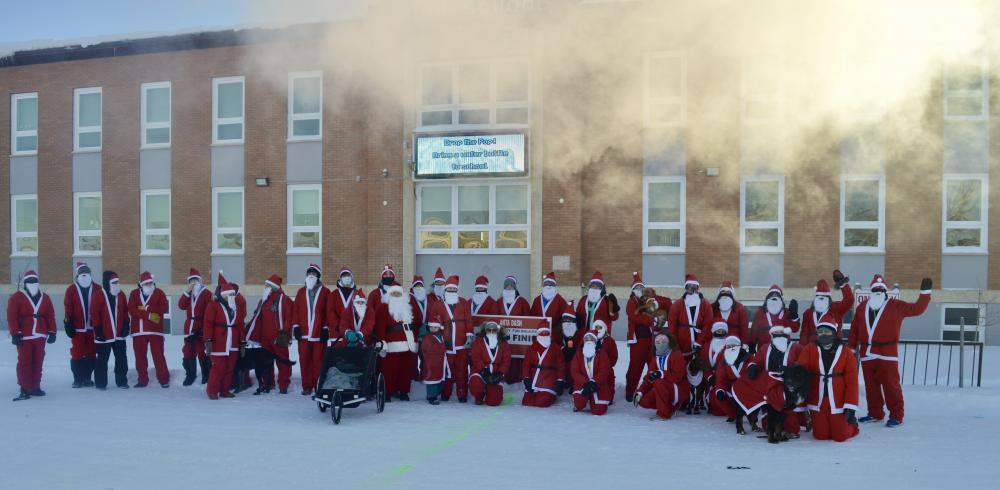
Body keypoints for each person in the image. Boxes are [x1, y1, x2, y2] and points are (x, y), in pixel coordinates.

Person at [847, 274, 931, 427]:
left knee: (891, 386)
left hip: (887, 355)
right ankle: (875, 413)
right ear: (871, 291)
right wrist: (851, 348)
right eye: (875, 289)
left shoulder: (896, 306)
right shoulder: (862, 307)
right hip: (867, 355)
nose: (878, 291)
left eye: (881, 288)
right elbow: (854, 329)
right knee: (871, 387)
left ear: (885, 291)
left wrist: (925, 293)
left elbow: (917, 309)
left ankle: (897, 415)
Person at [798, 318, 860, 442]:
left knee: (840, 437)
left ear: (834, 333)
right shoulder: (810, 349)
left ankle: (853, 426)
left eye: (827, 331)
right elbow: (801, 369)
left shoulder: (846, 352)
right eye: (820, 332)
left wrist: (850, 406)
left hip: (838, 401)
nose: (823, 334)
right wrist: (794, 373)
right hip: (818, 400)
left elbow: (852, 381)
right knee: (820, 436)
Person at [745, 325, 804, 437]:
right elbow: (756, 361)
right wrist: (752, 367)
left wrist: (793, 371)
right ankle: (771, 428)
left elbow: (803, 365)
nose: (779, 337)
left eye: (781, 334)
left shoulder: (796, 348)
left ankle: (791, 430)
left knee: (788, 408)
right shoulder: (765, 348)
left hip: (789, 385)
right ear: (772, 336)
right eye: (776, 335)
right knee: (770, 409)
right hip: (770, 385)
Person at [7, 270, 56, 401]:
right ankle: (24, 387)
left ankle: (35, 386)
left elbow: (50, 315)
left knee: (38, 362)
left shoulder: (45, 298)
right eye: (30, 281)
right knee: (25, 362)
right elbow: (12, 316)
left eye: (35, 281)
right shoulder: (17, 297)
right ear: (25, 283)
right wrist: (15, 333)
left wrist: (52, 331)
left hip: (40, 335)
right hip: (24, 336)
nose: (33, 283)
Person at [245, 275, 294, 394]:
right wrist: (249, 328)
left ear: (273, 287)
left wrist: (285, 333)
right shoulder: (263, 300)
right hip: (264, 338)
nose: (265, 287)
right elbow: (256, 316)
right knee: (265, 362)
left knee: (282, 361)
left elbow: (290, 317)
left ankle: (283, 384)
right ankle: (268, 383)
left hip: (278, 337)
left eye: (267, 285)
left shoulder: (285, 299)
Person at [428, 275, 473, 402]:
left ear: (457, 290)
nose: (452, 291)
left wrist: (469, 335)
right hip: (446, 344)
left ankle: (462, 394)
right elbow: (433, 322)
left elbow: (469, 321)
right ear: (445, 290)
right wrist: (437, 340)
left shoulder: (463, 302)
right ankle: (445, 394)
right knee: (446, 371)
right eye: (450, 289)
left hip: (461, 344)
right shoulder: (438, 304)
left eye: (454, 289)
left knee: (462, 371)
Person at [370, 284, 419, 401]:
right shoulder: (383, 308)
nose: (396, 295)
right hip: (391, 344)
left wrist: (415, 338)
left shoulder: (407, 307)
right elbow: (380, 327)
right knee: (389, 370)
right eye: (394, 293)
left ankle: (403, 391)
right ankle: (387, 392)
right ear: (389, 295)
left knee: (405, 370)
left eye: (398, 293)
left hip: (408, 344)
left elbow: (414, 325)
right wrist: (381, 342)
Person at [625, 274, 670, 402]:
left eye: (641, 287)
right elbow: (633, 316)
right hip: (638, 340)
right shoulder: (632, 301)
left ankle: (652, 388)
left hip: (653, 339)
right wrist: (651, 320)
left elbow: (668, 302)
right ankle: (630, 390)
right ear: (633, 290)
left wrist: (656, 301)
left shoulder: (650, 298)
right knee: (635, 367)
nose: (639, 289)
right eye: (637, 287)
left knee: (653, 365)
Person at [204, 273, 246, 399]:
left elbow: (240, 325)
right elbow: (208, 324)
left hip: (232, 343)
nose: (232, 297)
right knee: (218, 368)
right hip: (218, 343)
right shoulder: (213, 306)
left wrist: (242, 342)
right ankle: (212, 391)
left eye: (233, 294)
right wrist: (208, 340)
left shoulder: (236, 308)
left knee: (229, 368)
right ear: (223, 295)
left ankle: (224, 390)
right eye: (230, 295)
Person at [128, 271, 170, 388]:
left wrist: (147, 308)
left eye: (151, 283)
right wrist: (148, 315)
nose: (149, 285)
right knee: (140, 357)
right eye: (146, 283)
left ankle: (163, 379)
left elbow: (164, 308)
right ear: (141, 284)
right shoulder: (134, 294)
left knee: (159, 356)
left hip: (155, 331)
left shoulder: (159, 293)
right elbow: (131, 310)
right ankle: (142, 380)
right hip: (138, 331)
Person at [292, 264, 329, 396]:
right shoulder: (301, 292)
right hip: (303, 333)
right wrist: (295, 326)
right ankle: (307, 386)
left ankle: (318, 385)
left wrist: (326, 328)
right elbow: (295, 310)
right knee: (305, 360)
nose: (311, 275)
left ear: (318, 276)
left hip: (319, 333)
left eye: (314, 273)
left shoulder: (325, 292)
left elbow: (327, 312)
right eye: (309, 273)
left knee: (318, 361)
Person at [90, 271, 130, 390]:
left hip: (119, 335)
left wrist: (126, 326)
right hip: (103, 335)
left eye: (118, 281)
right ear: (107, 283)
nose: (117, 284)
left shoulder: (121, 295)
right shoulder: (98, 295)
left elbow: (125, 312)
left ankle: (122, 381)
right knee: (102, 360)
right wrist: (97, 330)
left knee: (122, 359)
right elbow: (94, 313)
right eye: (114, 282)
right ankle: (101, 383)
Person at [634, 333, 688, 420]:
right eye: (658, 342)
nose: (660, 343)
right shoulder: (655, 358)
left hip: (678, 388)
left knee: (659, 382)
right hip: (663, 388)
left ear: (669, 342)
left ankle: (663, 414)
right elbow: (649, 377)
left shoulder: (676, 354)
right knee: (643, 401)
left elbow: (679, 376)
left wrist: (661, 373)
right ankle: (670, 408)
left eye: (663, 341)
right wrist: (640, 392)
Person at [64, 261, 97, 388]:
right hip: (77, 329)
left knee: (91, 353)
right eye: (82, 273)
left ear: (90, 274)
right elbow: (68, 307)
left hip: (92, 328)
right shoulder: (71, 290)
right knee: (77, 353)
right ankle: (77, 378)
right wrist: (68, 323)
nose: (84, 275)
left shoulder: (98, 288)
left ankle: (87, 377)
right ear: (77, 275)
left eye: (86, 273)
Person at [668, 274, 714, 363]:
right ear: (686, 288)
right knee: (682, 365)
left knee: (701, 365)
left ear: (698, 288)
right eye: (689, 286)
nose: (692, 289)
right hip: (683, 343)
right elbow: (672, 325)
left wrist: (700, 341)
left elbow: (708, 324)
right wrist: (675, 343)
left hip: (701, 341)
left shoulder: (705, 304)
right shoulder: (677, 304)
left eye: (694, 286)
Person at [799, 271, 854, 345]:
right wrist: (803, 349)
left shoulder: (836, 309)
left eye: (824, 297)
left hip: (833, 347)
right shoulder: (808, 313)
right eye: (819, 297)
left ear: (828, 298)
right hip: (813, 349)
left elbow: (849, 301)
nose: (821, 299)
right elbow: (804, 334)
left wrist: (843, 284)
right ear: (815, 298)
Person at [178, 268, 212, 386]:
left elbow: (210, 312)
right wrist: (187, 292)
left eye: (196, 280)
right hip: (189, 327)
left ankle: (206, 374)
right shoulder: (188, 294)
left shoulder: (207, 293)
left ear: (200, 281)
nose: (194, 283)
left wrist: (203, 329)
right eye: (191, 281)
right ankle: (190, 375)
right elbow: (181, 306)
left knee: (201, 351)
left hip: (200, 327)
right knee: (188, 351)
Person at [497, 275, 530, 383]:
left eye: (511, 286)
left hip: (518, 340)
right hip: (503, 339)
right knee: (504, 358)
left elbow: (529, 321)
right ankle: (503, 379)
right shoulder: (499, 302)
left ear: (515, 287)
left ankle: (517, 381)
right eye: (507, 286)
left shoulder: (522, 302)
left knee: (516, 360)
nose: (509, 288)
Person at [469, 321, 511, 406]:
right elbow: (475, 357)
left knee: (494, 401)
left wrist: (500, 373)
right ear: (485, 330)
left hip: (496, 373)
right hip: (480, 371)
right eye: (489, 330)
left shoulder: (503, 343)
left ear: (498, 330)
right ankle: (479, 396)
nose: (491, 332)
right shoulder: (479, 341)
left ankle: (490, 392)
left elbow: (506, 361)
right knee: (475, 385)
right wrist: (484, 371)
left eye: (494, 330)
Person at [571, 331, 613, 415]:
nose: (589, 341)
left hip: (598, 384)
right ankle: (583, 401)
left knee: (599, 411)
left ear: (595, 341)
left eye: (591, 339)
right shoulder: (578, 354)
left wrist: (594, 382)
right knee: (579, 403)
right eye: (587, 339)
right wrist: (585, 383)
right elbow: (574, 371)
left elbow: (604, 370)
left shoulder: (602, 353)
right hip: (582, 384)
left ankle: (593, 401)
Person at [748, 284, 799, 353]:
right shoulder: (760, 313)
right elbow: (754, 332)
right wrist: (752, 346)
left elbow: (795, 328)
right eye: (772, 296)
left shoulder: (787, 313)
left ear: (781, 299)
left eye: (777, 296)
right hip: (764, 352)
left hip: (783, 352)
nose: (774, 298)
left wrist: (794, 315)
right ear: (767, 298)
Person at [521, 327, 565, 407]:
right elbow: (526, 365)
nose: (544, 335)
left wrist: (560, 380)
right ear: (538, 335)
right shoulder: (532, 348)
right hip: (534, 378)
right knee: (526, 402)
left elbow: (561, 365)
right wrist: (526, 378)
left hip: (549, 379)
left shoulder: (555, 348)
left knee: (541, 402)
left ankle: (551, 395)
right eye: (542, 333)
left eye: (546, 333)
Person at [712, 336, 750, 423]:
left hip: (746, 386)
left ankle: (750, 414)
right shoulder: (724, 361)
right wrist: (720, 389)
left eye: (734, 345)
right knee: (718, 395)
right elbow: (721, 378)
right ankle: (733, 414)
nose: (732, 348)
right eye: (729, 346)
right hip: (731, 387)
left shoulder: (749, 358)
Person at [700, 321, 730, 416]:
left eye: (722, 331)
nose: (720, 333)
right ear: (713, 331)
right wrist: (709, 376)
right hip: (711, 377)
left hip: (725, 377)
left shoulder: (729, 345)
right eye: (718, 331)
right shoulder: (706, 346)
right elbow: (703, 363)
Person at [529, 271, 569, 339]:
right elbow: (532, 316)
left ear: (554, 286)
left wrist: (556, 331)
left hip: (554, 336)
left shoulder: (560, 301)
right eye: (546, 284)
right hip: (539, 334)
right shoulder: (537, 300)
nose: (548, 286)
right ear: (543, 286)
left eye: (551, 284)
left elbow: (565, 319)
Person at [326, 267, 361, 340]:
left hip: (353, 333)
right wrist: (338, 325)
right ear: (340, 278)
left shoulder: (358, 294)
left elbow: (362, 312)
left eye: (348, 276)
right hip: (337, 333)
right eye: (344, 276)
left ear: (351, 278)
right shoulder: (333, 294)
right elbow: (330, 312)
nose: (346, 278)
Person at [421, 321, 448, 405]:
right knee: (432, 379)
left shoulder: (441, 336)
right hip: (431, 362)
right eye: (431, 327)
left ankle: (436, 394)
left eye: (435, 327)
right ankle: (431, 396)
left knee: (438, 378)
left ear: (439, 328)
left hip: (439, 362)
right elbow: (431, 349)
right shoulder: (427, 337)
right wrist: (444, 346)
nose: (433, 329)